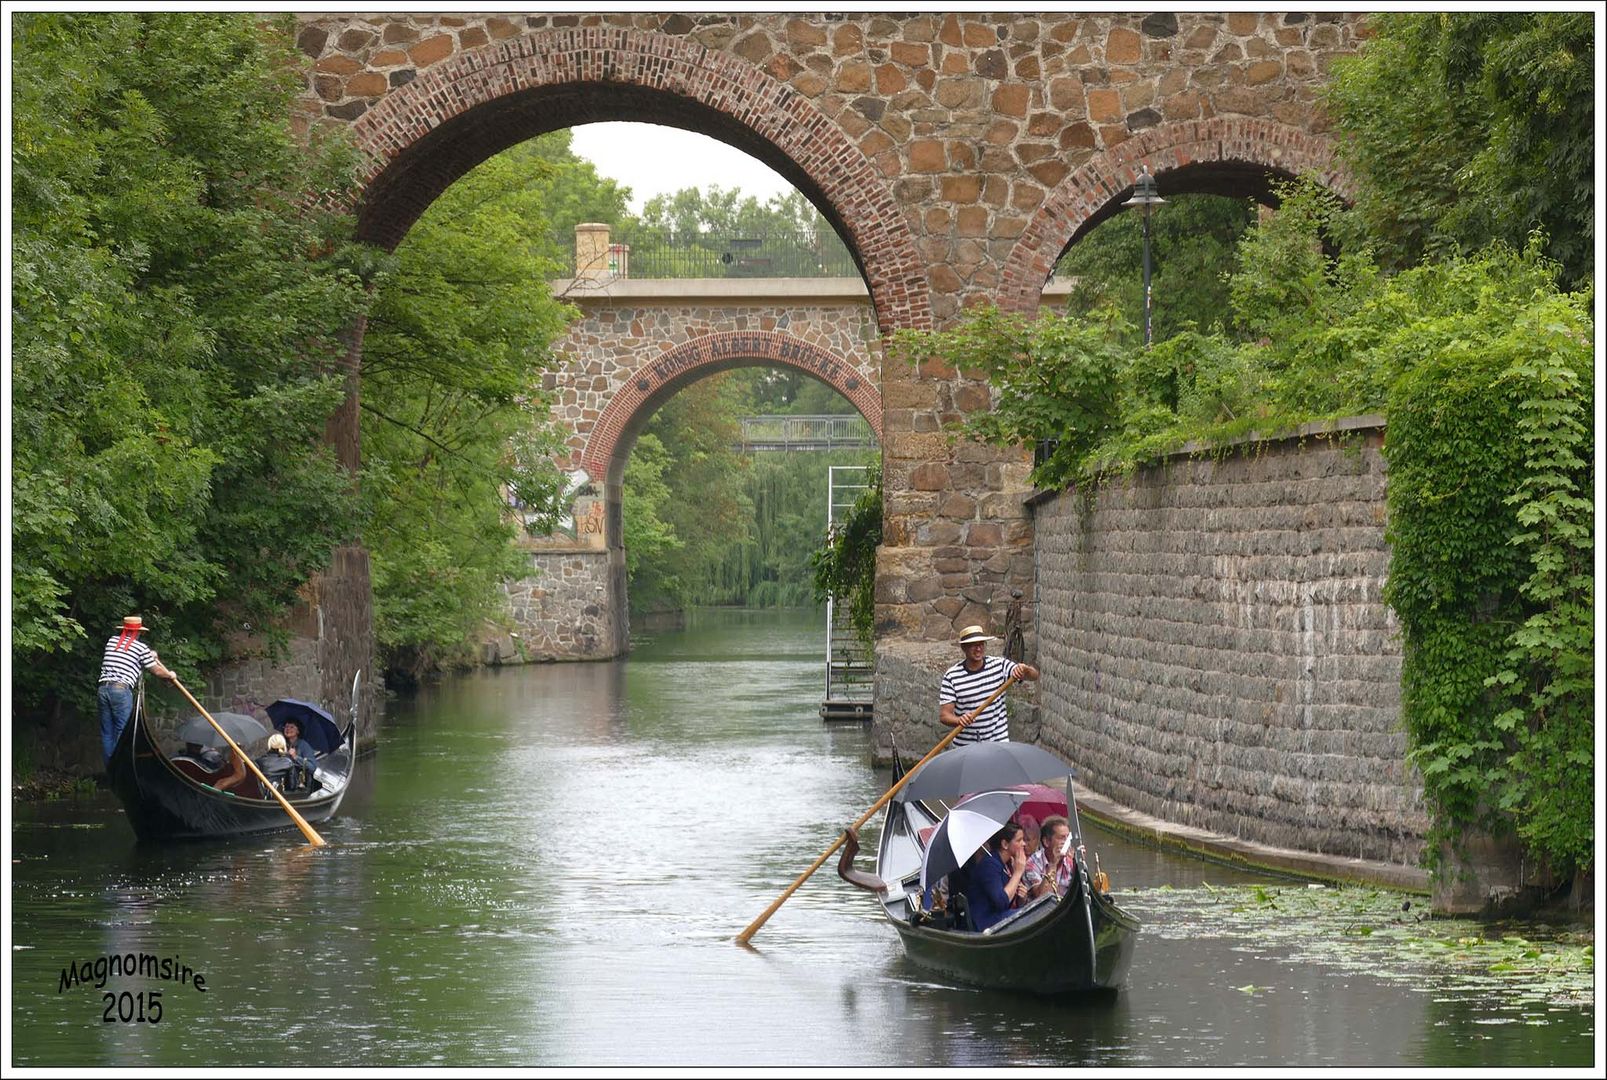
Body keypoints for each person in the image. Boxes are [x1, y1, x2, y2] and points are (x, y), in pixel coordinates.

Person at [938, 624, 1039, 744]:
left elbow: (1034, 676)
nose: (978, 649)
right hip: (966, 746)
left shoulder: (999, 666)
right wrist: (959, 720)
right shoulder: (952, 676)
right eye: (973, 645)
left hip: (998, 742)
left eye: (981, 644)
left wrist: (1025, 669)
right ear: (964, 648)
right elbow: (945, 715)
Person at [97, 615, 178, 761]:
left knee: (107, 732)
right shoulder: (140, 648)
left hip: (103, 690)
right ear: (138, 632)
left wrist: (149, 654)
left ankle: (111, 767)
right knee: (123, 731)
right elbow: (157, 671)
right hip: (120, 690)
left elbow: (127, 654)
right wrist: (170, 674)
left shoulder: (111, 641)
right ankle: (120, 766)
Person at [959, 822, 1030, 931]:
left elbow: (1008, 900)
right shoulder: (989, 864)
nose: (1024, 844)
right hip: (984, 922)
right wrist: (1018, 873)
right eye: (1019, 840)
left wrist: (1021, 899)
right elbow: (1001, 901)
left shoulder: (1006, 864)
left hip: (999, 917)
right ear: (1005, 844)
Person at [1023, 814, 1079, 900]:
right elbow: (1043, 898)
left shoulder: (1070, 861)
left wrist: (1078, 865)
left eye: (1067, 838)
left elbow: (1080, 892)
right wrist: (1053, 864)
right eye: (1061, 838)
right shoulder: (1032, 863)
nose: (1066, 842)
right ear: (1046, 842)